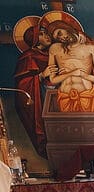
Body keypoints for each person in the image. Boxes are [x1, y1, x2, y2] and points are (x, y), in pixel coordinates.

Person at [13, 17, 55, 157]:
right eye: (42, 33)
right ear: (34, 37)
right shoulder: (28, 56)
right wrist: (42, 76)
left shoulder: (55, 53)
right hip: (41, 101)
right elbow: (22, 85)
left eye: (47, 32)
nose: (47, 35)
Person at [46, 19, 94, 112]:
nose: (60, 38)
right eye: (57, 38)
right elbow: (53, 80)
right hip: (64, 97)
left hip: (87, 95)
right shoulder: (55, 49)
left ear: (66, 28)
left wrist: (83, 75)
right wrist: (71, 73)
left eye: (60, 33)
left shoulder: (90, 48)